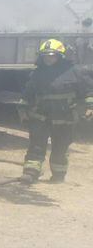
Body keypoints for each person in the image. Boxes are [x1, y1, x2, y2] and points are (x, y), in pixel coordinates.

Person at [18, 39, 92, 184]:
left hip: (65, 118)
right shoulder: (37, 73)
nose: (48, 59)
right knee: (36, 146)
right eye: (45, 56)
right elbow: (27, 94)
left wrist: (90, 107)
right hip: (40, 116)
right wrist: (22, 110)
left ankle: (58, 175)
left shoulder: (75, 72)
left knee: (60, 147)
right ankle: (30, 173)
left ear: (60, 56)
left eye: (52, 56)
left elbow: (89, 91)